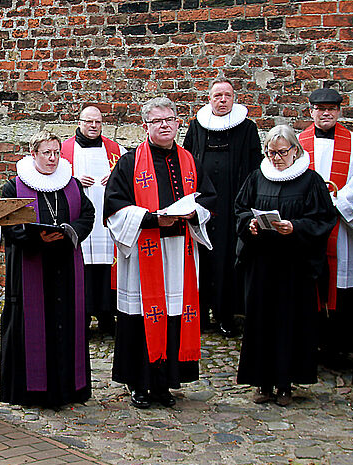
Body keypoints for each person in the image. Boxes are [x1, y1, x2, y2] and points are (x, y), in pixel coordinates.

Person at [104, 97, 214, 409]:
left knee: (175, 316)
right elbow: (113, 208)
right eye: (157, 121)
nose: (164, 125)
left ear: (179, 123)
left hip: (179, 251)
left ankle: (165, 384)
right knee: (141, 318)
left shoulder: (190, 161)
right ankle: (140, 384)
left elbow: (209, 198)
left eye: (170, 119)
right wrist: (152, 218)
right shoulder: (129, 163)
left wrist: (194, 214)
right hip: (144, 254)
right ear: (145, 127)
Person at [234, 125, 336, 406]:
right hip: (262, 262)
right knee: (260, 320)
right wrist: (250, 224)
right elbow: (241, 208)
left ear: (296, 150)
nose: (276, 158)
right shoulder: (257, 177)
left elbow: (324, 219)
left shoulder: (310, 181)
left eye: (282, 152)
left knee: (290, 322)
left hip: (295, 265)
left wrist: (297, 227)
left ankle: (286, 383)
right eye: (271, 152)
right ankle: (262, 382)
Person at [0, 130, 95, 407]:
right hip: (31, 265)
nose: (53, 159)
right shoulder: (15, 187)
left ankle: (69, 388)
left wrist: (70, 232)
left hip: (65, 264)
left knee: (67, 324)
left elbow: (87, 215)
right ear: (34, 154)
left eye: (57, 153)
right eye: (47, 153)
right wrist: (36, 237)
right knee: (33, 327)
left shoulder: (72, 184)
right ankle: (32, 391)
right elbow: (8, 223)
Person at [183, 79, 263, 337]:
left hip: (233, 203)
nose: (222, 100)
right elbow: (187, 162)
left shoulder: (247, 129)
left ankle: (227, 315)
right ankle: (200, 315)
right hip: (203, 202)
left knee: (228, 260)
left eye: (227, 95)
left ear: (234, 99)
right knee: (201, 259)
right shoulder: (196, 128)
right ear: (209, 99)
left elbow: (254, 167)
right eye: (217, 95)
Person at [298, 88, 353, 366]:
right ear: (311, 110)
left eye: (331, 108)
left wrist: (334, 203)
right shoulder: (298, 142)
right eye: (319, 108)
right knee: (309, 283)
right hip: (310, 226)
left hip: (341, 224)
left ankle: (342, 346)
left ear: (339, 111)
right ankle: (311, 343)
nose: (325, 112)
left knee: (343, 282)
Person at [60, 106, 125, 335]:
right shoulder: (65, 151)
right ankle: (83, 317)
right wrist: (75, 180)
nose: (93, 126)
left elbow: (128, 176)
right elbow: (54, 178)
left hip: (107, 222)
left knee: (107, 268)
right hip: (82, 219)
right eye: (89, 122)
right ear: (79, 122)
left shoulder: (116, 150)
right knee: (83, 268)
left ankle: (108, 317)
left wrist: (115, 176)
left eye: (97, 122)